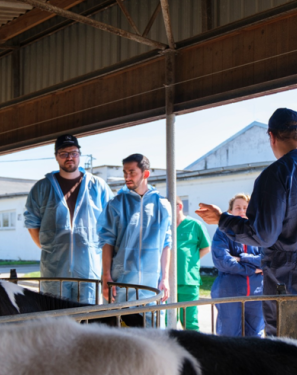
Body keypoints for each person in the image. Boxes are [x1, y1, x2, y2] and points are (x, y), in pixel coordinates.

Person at [196, 108, 297, 345]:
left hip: (292, 279)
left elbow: (262, 234)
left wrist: (222, 220)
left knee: (291, 352)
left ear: (271, 137)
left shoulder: (277, 174)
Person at [24, 135, 113, 303]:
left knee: (87, 315)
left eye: (73, 153)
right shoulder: (42, 187)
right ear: (56, 156)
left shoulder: (97, 186)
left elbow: (110, 225)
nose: (69, 157)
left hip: (88, 269)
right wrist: (51, 248)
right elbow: (31, 222)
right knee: (55, 314)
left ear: (79, 154)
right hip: (54, 270)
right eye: (64, 153)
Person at [98, 154, 171, 325]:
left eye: (132, 172)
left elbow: (166, 243)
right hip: (122, 283)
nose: (127, 177)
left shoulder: (162, 205)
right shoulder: (116, 204)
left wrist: (165, 278)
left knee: (152, 335)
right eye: (125, 172)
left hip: (151, 285)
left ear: (146, 174)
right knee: (118, 333)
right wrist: (106, 275)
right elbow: (107, 241)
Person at [211, 193, 265, 337]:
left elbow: (268, 260)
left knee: (255, 336)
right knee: (229, 336)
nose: (242, 211)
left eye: (245, 208)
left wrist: (241, 258)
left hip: (257, 293)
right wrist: (253, 269)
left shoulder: (261, 233)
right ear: (230, 211)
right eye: (238, 208)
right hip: (229, 291)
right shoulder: (222, 232)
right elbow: (222, 261)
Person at [174, 197, 211, 331]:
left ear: (179, 206)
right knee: (166, 320)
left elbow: (206, 247)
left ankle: (193, 344)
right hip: (167, 282)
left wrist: (191, 261)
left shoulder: (195, 225)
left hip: (188, 280)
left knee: (190, 322)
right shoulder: (165, 226)